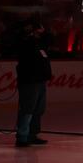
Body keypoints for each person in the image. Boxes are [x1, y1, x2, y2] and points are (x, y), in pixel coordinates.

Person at [15, 16, 53, 148]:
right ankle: (22, 136)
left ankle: (32, 134)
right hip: (30, 81)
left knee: (38, 109)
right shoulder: (26, 42)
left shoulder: (38, 44)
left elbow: (48, 40)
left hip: (39, 81)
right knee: (28, 108)